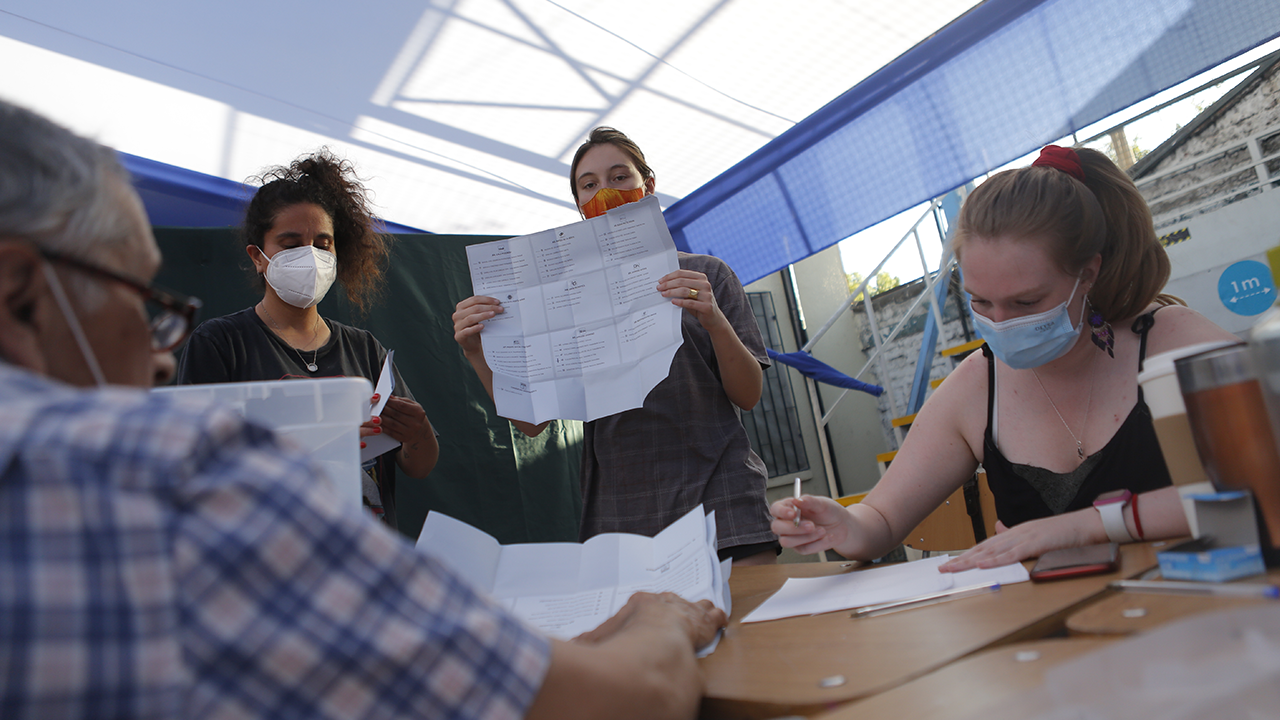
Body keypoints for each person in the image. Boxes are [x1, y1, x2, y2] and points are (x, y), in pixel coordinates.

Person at [0, 99, 726, 720]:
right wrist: (658, 621)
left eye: (324, 242)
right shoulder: (187, 469)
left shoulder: (359, 347)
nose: (160, 352)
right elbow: (614, 698)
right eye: (140, 297)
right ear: (19, 290)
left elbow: (428, 473)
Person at [771, 145, 1238, 571]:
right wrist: (843, 525)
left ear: (1088, 273)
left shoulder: (1176, 342)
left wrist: (1080, 526)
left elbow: (1259, 484)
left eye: (1026, 303)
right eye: (980, 302)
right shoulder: (977, 385)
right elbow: (881, 519)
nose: (1000, 323)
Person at [452, 127, 777, 564]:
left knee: (749, 632)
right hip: (620, 522)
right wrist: (477, 353)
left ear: (649, 185)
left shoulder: (707, 276)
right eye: (589, 185)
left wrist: (713, 318)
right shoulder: (558, 298)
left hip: (723, 509)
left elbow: (749, 394)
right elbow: (532, 425)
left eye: (620, 177)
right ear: (580, 207)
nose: (605, 192)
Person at [177, 150, 437, 530]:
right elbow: (194, 464)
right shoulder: (220, 343)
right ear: (258, 256)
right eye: (290, 243)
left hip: (364, 557)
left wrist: (418, 431)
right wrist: (315, 436)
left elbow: (419, 465)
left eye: (323, 242)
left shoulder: (364, 348)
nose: (310, 255)